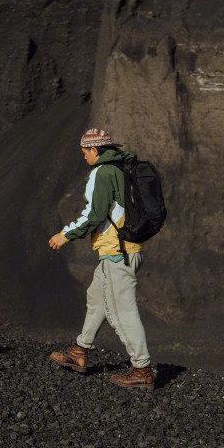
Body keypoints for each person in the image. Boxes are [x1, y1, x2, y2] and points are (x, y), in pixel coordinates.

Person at [47, 127, 156, 389]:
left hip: (117, 254)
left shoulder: (102, 173)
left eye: (84, 151)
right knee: (97, 298)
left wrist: (66, 234)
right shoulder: (121, 169)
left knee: (122, 310)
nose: (83, 156)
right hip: (126, 249)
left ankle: (141, 368)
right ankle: (80, 351)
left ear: (95, 150)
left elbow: (94, 214)